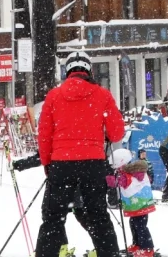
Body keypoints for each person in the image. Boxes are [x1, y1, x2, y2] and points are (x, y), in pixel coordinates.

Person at [34, 51, 124, 257]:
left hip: (61, 163)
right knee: (99, 216)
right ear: (89, 70)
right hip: (92, 163)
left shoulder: (54, 96)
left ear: (67, 71)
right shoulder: (102, 94)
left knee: (53, 218)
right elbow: (117, 132)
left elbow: (44, 135)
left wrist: (48, 163)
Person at [109, 147, 158, 257]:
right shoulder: (131, 171)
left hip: (139, 205)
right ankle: (138, 244)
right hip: (140, 204)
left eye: (113, 165)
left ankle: (147, 248)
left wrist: (108, 178)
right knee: (134, 223)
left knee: (140, 226)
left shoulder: (128, 174)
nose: (112, 167)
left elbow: (116, 182)